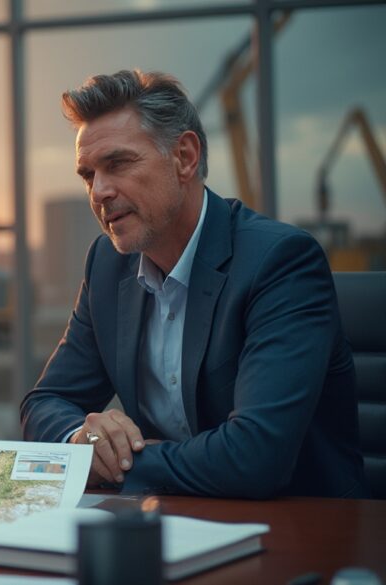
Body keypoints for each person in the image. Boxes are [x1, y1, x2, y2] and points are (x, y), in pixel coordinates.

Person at [20, 69, 366, 499]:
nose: (100, 192)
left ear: (184, 157)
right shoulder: (108, 265)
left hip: (301, 533)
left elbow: (255, 457)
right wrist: (79, 440)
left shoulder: (280, 263)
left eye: (118, 164)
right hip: (171, 526)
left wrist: (114, 463)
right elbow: (45, 402)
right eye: (88, 175)